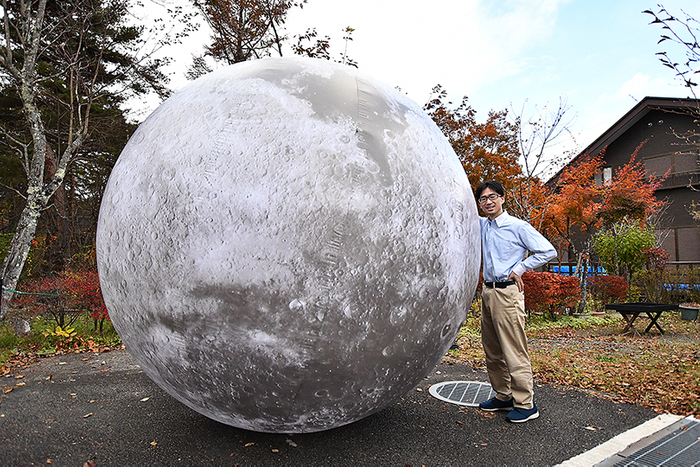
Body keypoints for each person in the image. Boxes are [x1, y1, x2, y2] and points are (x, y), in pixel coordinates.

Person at [474, 180, 556, 423]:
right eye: (483, 199)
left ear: (502, 198)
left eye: (492, 197)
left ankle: (526, 404)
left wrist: (520, 268)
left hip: (507, 293)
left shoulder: (516, 226)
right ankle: (504, 396)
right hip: (488, 291)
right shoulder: (482, 225)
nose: (488, 202)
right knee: (493, 349)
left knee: (513, 349)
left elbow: (547, 250)